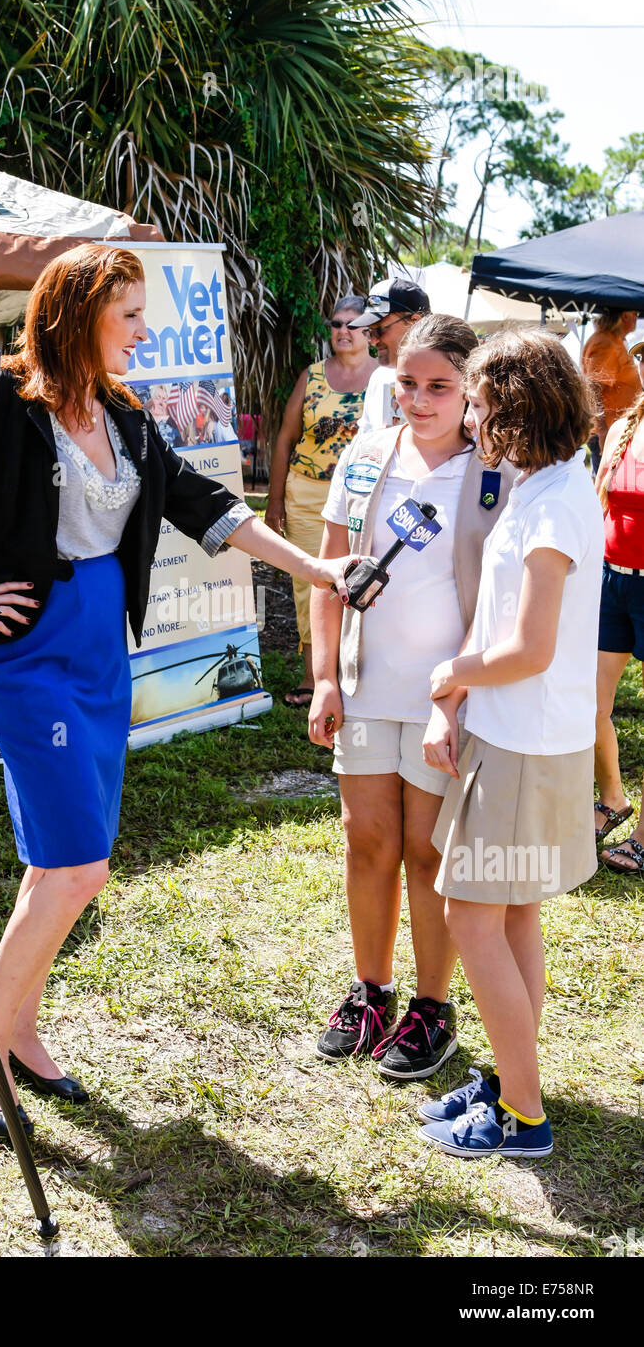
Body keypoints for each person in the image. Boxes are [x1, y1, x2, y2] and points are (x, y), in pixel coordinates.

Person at [0, 243, 353, 1139]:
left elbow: (205, 503)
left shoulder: (124, 412)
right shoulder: (1, 402)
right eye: (129, 315)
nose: (145, 330)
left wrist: (316, 569)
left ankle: (17, 1031)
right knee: (80, 866)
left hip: (100, 644)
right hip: (26, 650)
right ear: (79, 314)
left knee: (55, 864)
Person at [308, 315, 515, 1079]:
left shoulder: (495, 473)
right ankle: (372, 991)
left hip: (446, 700)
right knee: (369, 841)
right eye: (408, 383)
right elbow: (329, 574)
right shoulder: (363, 456)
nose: (419, 400)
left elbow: (498, 603)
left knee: (430, 851)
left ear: (470, 391)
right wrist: (325, 676)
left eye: (439, 387)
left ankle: (433, 1007)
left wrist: (457, 694)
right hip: (364, 687)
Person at [418, 329, 601, 1159]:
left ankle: (523, 1115)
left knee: (473, 917)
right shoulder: (542, 486)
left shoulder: (556, 502)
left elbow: (530, 647)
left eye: (482, 404)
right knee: (512, 912)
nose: (473, 419)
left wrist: (450, 676)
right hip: (516, 735)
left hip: (524, 744)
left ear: (516, 411)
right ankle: (513, 1078)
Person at [265, 295, 376, 707]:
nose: (343, 331)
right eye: (336, 324)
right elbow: (285, 439)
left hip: (364, 495)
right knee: (310, 582)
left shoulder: (386, 378)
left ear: (370, 331)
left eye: (353, 324)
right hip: (308, 493)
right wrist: (274, 502)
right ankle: (315, 679)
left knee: (364, 579)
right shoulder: (311, 376)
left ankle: (357, 674)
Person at [591, 337, 644, 871]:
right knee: (590, 702)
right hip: (611, 582)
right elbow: (596, 506)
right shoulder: (624, 428)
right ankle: (613, 799)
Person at [354, 278, 431, 436]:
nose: (374, 341)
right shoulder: (379, 377)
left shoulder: (453, 379)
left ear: (415, 322)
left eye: (380, 330)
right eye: (369, 332)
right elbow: (363, 439)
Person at [582, 307, 641, 461]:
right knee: (608, 483)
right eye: (634, 312)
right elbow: (594, 389)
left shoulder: (613, 340)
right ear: (623, 315)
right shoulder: (605, 343)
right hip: (610, 433)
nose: (637, 315)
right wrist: (603, 433)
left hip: (618, 431)